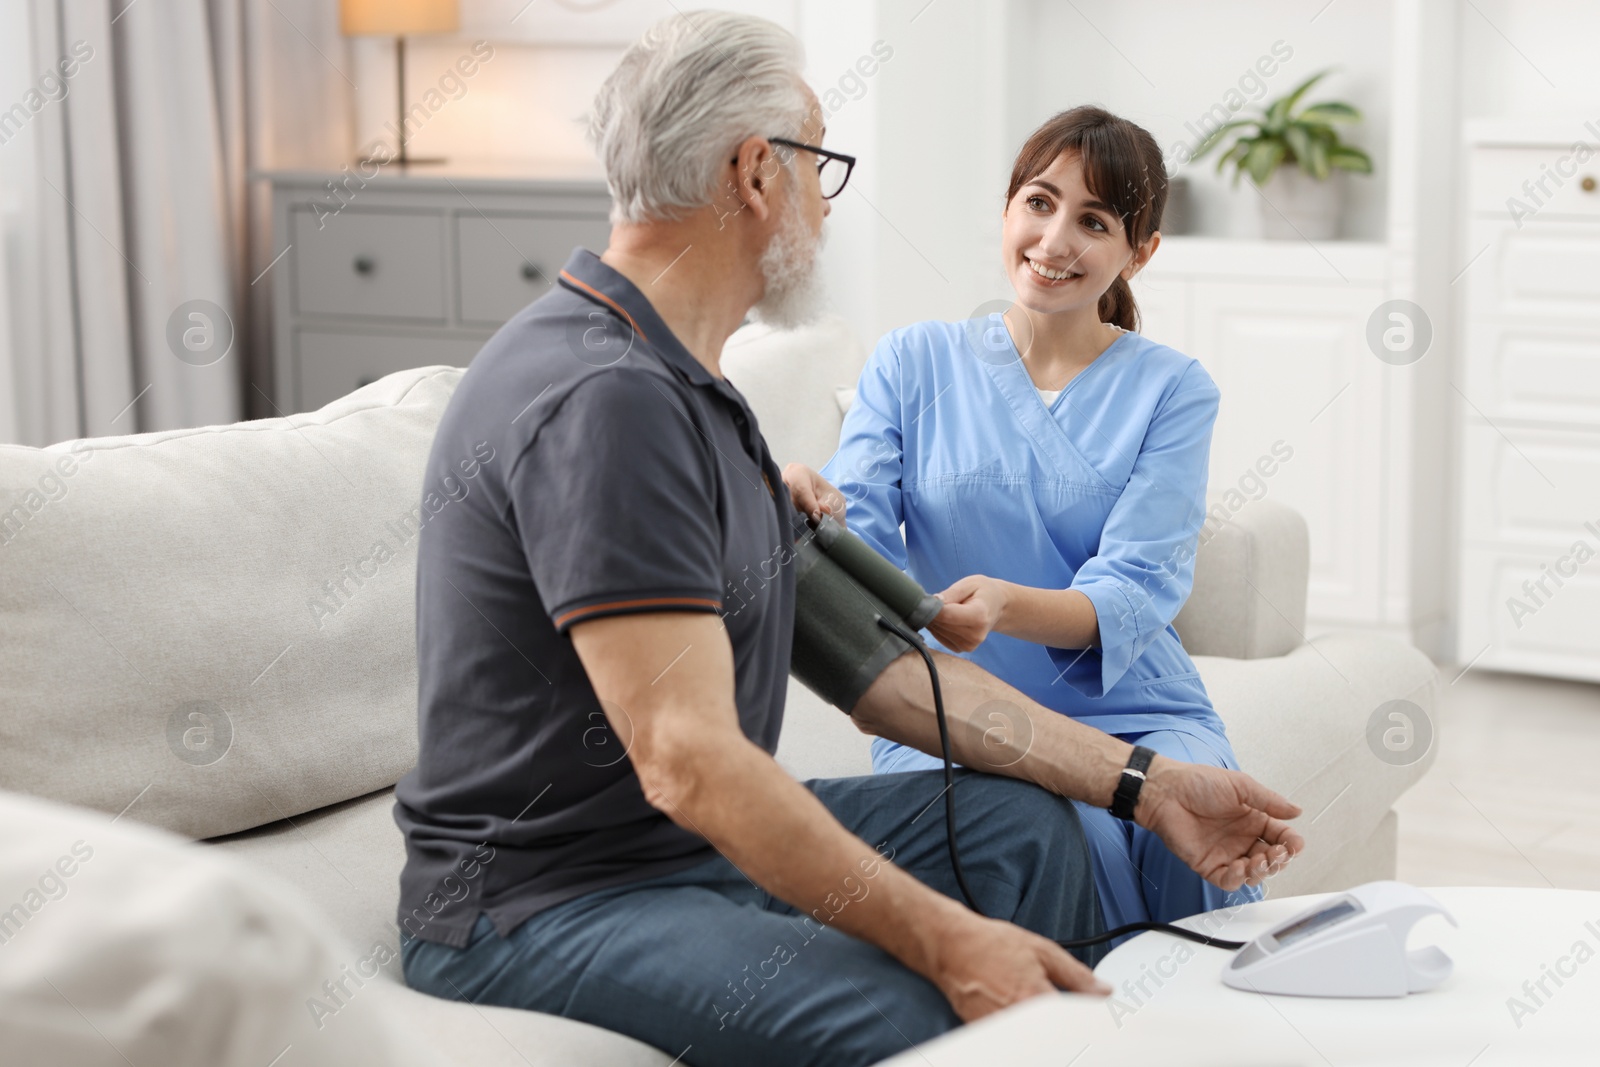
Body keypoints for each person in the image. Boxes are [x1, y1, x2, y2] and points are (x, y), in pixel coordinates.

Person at [393, 14, 1303, 1067]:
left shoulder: (701, 392)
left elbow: (891, 678)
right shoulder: (608, 397)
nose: (826, 205)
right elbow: (688, 762)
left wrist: (1144, 782)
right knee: (924, 1011)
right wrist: (950, 940)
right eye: (816, 165)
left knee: (1026, 827)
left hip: (668, 848)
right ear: (754, 175)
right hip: (545, 890)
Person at [821, 106, 1260, 934]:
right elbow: (857, 556)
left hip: (1136, 703)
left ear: (1142, 252)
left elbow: (1137, 587)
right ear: (1007, 210)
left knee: (1190, 837)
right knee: (1074, 835)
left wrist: (1005, 604)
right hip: (955, 710)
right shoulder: (910, 363)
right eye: (1038, 201)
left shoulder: (1173, 388)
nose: (1055, 240)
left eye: (1094, 221)